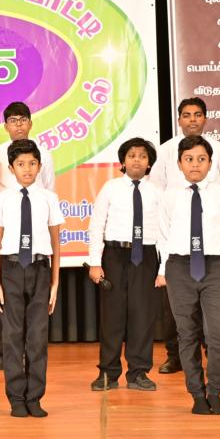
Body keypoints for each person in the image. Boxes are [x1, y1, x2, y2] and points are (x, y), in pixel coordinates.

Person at [148, 97, 220, 376]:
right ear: (179, 119)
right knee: (175, 310)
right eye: (186, 115)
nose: (192, 120)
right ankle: (175, 357)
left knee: (216, 312)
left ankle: (217, 355)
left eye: (198, 114)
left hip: (210, 239)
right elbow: (156, 191)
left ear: (205, 118)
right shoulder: (165, 151)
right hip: (178, 242)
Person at [157, 136, 220, 416]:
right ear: (179, 163)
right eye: (189, 159)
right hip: (180, 267)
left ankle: (215, 392)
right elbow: (163, 236)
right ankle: (196, 394)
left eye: (201, 159)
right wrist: (165, 269)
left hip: (214, 266)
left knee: (219, 332)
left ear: (210, 163)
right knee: (187, 333)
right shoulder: (168, 197)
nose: (195, 164)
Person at [0, 139, 63, 418]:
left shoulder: (48, 198)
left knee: (37, 336)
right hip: (11, 269)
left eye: (32, 163)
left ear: (40, 166)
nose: (27, 169)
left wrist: (55, 283)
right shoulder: (3, 198)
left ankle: (35, 396)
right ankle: (16, 397)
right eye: (20, 164)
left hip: (40, 269)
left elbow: (56, 242)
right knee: (12, 336)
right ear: (11, 168)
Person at [0, 102, 56, 372]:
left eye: (23, 120)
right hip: (7, 226)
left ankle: (29, 353)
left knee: (35, 298)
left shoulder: (43, 153)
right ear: (6, 126)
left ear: (31, 123)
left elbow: (49, 188)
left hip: (35, 228)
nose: (19, 125)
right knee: (2, 290)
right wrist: (3, 216)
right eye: (13, 120)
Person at [87, 137, 162, 392]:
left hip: (146, 257)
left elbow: (165, 231)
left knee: (142, 317)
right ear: (123, 161)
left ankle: (138, 373)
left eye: (142, 156)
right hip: (115, 256)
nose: (136, 160)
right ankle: (107, 373)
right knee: (113, 317)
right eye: (131, 155)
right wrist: (95, 262)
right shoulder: (110, 188)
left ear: (149, 162)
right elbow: (97, 225)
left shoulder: (157, 192)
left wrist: (163, 269)